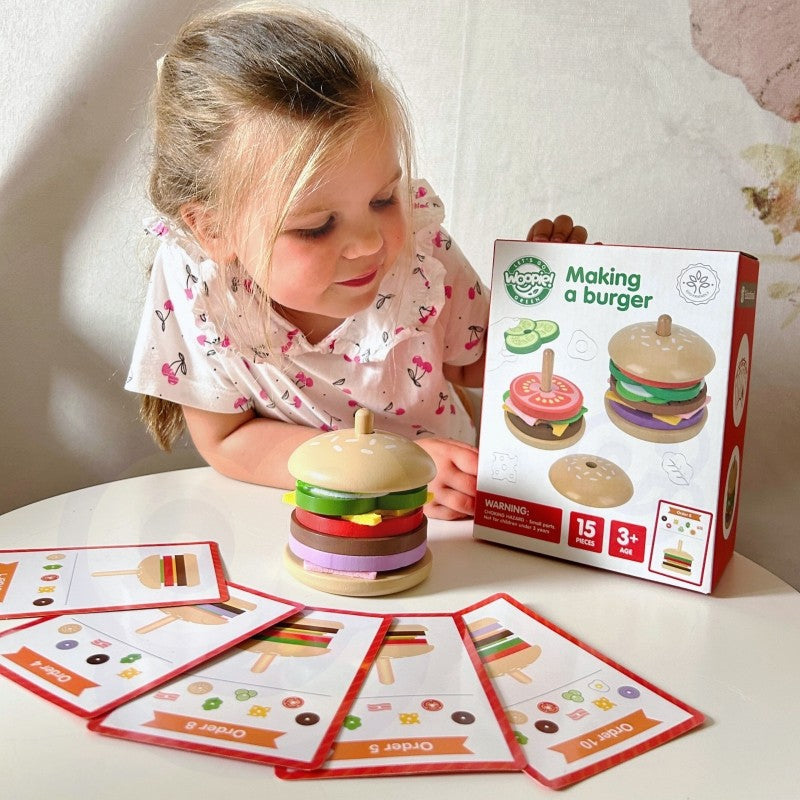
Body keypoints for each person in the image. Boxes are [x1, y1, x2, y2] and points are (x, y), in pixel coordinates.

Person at [126, 3, 588, 520]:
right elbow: (226, 440)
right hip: (299, 525)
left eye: (383, 199)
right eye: (316, 226)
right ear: (212, 230)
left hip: (448, 523)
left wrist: (552, 304)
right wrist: (385, 470)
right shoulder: (198, 283)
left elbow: (478, 361)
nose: (369, 243)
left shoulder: (418, 252)